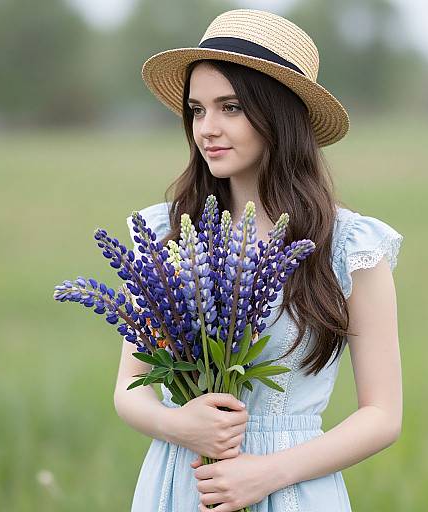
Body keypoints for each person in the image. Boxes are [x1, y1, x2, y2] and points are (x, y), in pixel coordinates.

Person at [114, 8, 404, 512]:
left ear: (279, 114)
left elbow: (383, 414)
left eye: (230, 107)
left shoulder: (350, 244)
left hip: (293, 487)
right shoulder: (165, 234)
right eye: (197, 110)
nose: (207, 128)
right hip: (185, 482)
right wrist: (181, 424)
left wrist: (267, 473)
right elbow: (128, 389)